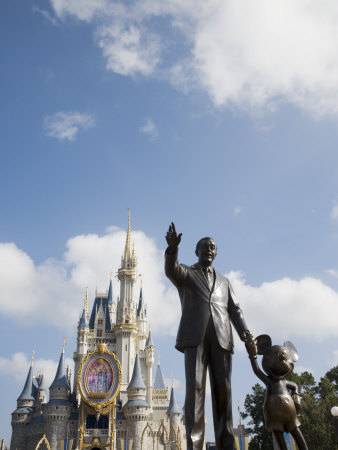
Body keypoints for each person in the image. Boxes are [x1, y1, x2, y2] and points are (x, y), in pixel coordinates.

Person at [165, 223, 254, 450]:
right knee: (195, 393)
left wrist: (245, 333)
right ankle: (195, 445)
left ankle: (227, 445)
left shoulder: (225, 281)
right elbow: (171, 270)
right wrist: (172, 249)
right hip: (195, 338)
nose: (210, 250)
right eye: (205, 247)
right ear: (196, 251)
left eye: (213, 247)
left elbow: (235, 309)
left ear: (217, 252)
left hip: (223, 339)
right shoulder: (187, 273)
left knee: (223, 393)